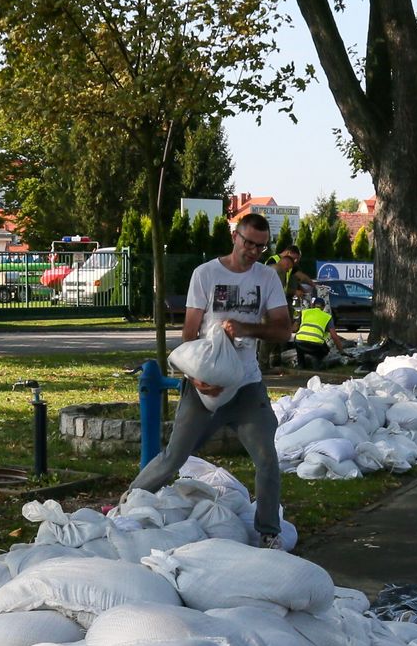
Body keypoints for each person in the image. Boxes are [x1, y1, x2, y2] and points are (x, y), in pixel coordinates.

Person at [130, 211, 291, 546]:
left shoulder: (267, 279)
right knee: (173, 457)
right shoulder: (206, 274)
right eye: (248, 242)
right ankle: (127, 503)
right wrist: (197, 378)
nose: (253, 251)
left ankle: (268, 532)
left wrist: (248, 328)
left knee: (267, 460)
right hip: (205, 387)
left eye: (260, 247)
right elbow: (190, 334)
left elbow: (283, 329)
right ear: (235, 236)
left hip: (246, 386)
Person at [291, 290, 349, 370]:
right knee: (325, 350)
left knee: (297, 341)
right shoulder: (327, 316)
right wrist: (341, 351)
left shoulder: (305, 312)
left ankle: (301, 366)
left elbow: (294, 327)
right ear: (323, 307)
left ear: (313, 305)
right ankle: (317, 364)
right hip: (316, 346)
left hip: (300, 343)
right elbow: (334, 336)